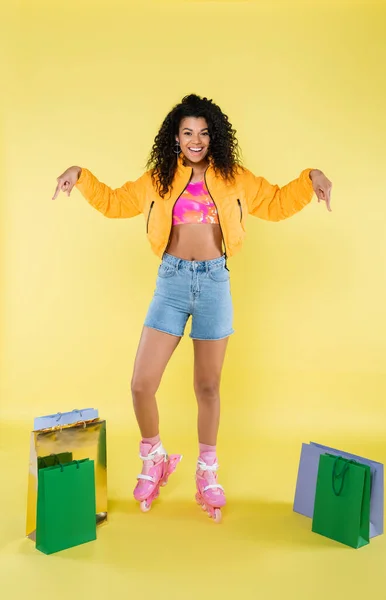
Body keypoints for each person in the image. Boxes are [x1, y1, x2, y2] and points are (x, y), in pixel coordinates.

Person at [53, 94, 332, 523]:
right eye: (187, 133)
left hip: (215, 283)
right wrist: (81, 176)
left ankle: (207, 471)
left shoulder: (233, 177)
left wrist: (311, 177)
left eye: (203, 132)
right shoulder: (160, 178)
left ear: (214, 136)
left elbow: (275, 202)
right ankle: (155, 458)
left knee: (208, 387)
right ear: (175, 137)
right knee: (142, 383)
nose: (195, 140)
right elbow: (116, 201)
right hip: (171, 282)